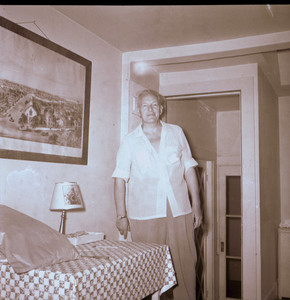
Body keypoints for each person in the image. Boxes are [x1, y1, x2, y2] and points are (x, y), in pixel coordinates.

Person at [112, 89, 202, 300]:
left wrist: (197, 205)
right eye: (145, 105)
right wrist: (121, 215)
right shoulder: (129, 141)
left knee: (186, 266)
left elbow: (189, 169)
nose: (150, 109)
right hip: (145, 215)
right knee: (147, 272)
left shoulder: (176, 132)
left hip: (180, 210)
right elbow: (119, 179)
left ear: (161, 108)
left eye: (154, 105)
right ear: (138, 110)